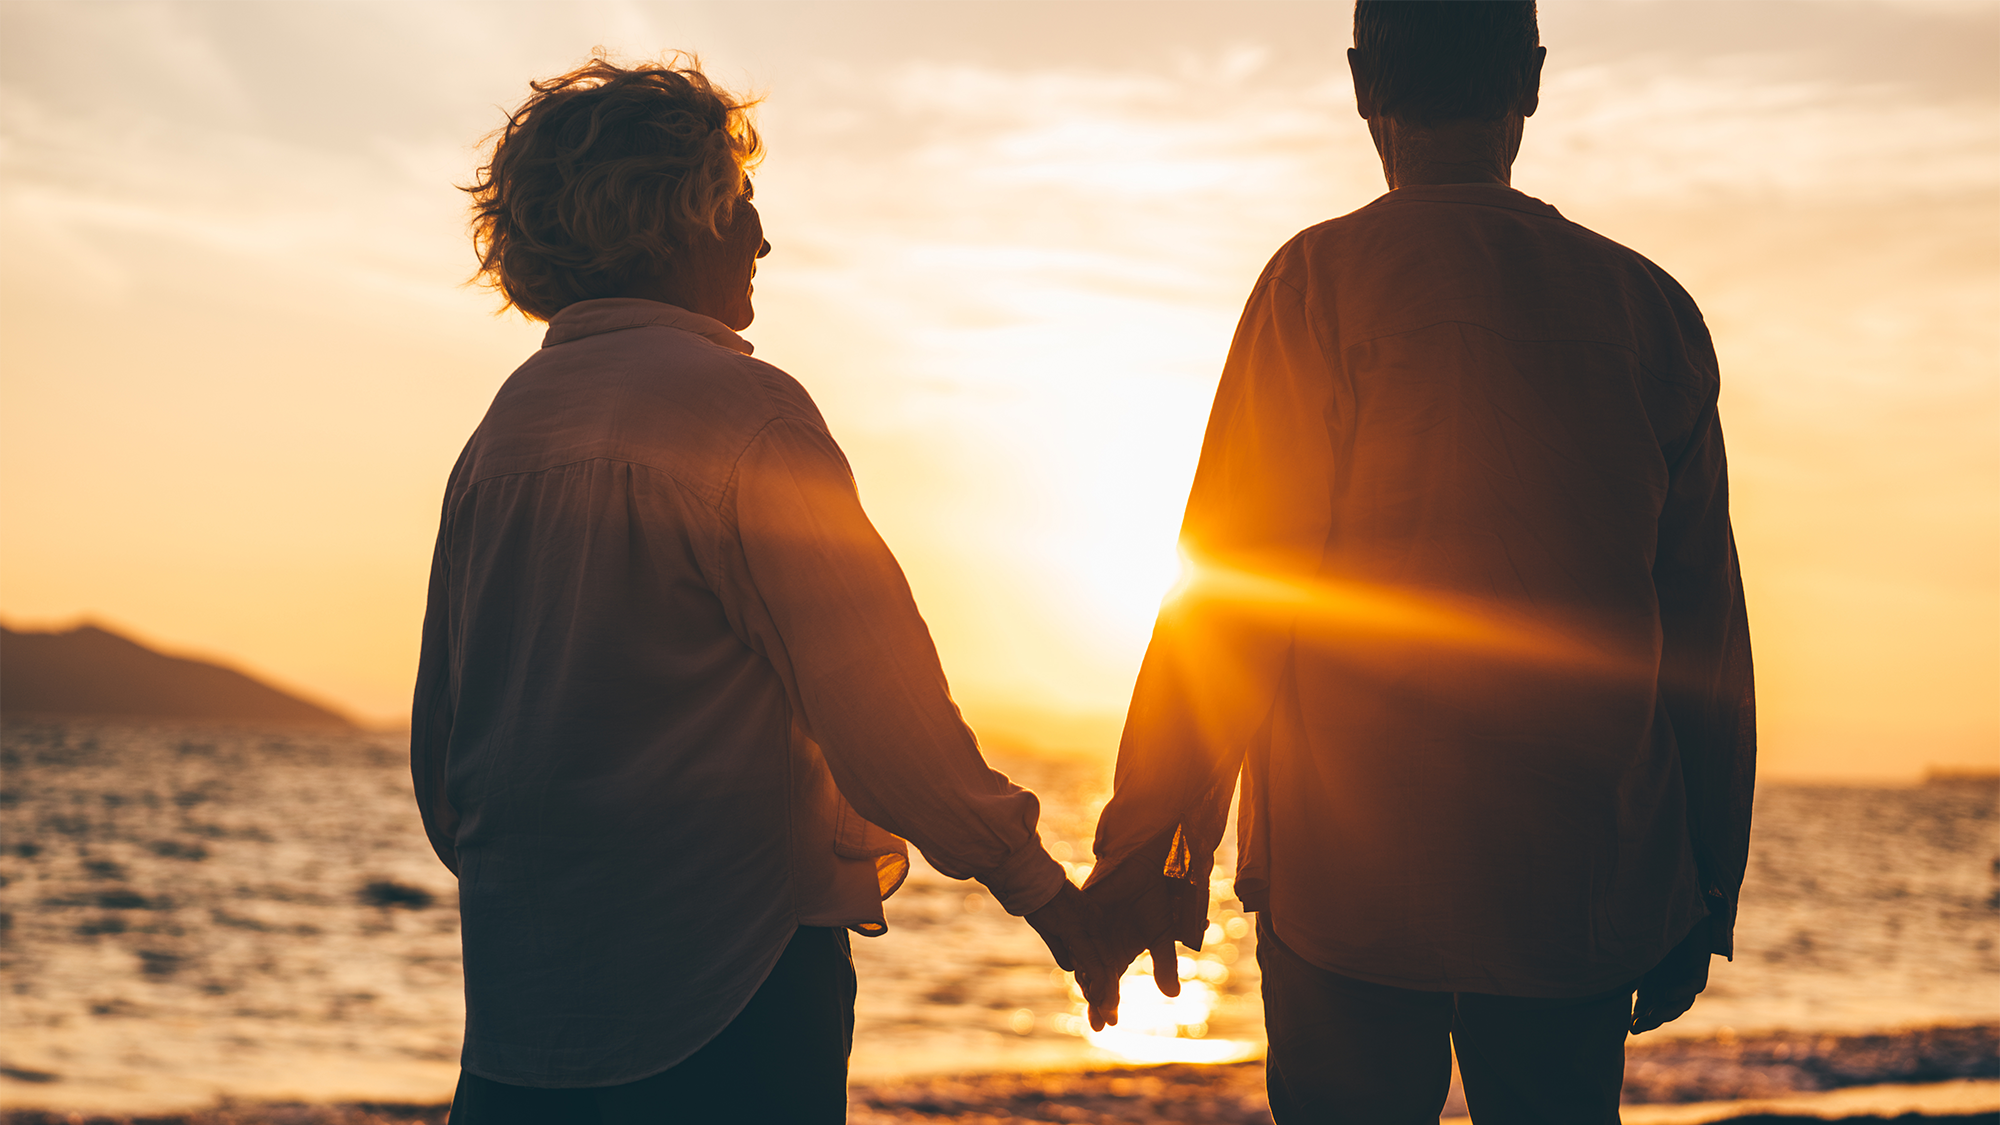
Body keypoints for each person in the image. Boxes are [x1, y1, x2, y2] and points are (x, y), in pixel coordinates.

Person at [1081, 3, 1755, 1120]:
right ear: (1530, 81)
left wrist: (1156, 843)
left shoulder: (1315, 287)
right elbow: (1703, 639)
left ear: (1358, 84)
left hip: (1349, 891)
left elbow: (1232, 598)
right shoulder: (1649, 312)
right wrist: (1706, 886)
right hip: (1574, 889)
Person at [410, 55, 1109, 1123]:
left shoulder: (501, 438)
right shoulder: (748, 417)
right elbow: (884, 719)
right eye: (737, 203)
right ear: (676, 215)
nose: (761, 237)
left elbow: (448, 770)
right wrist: (1053, 902)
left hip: (522, 1030)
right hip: (724, 1007)